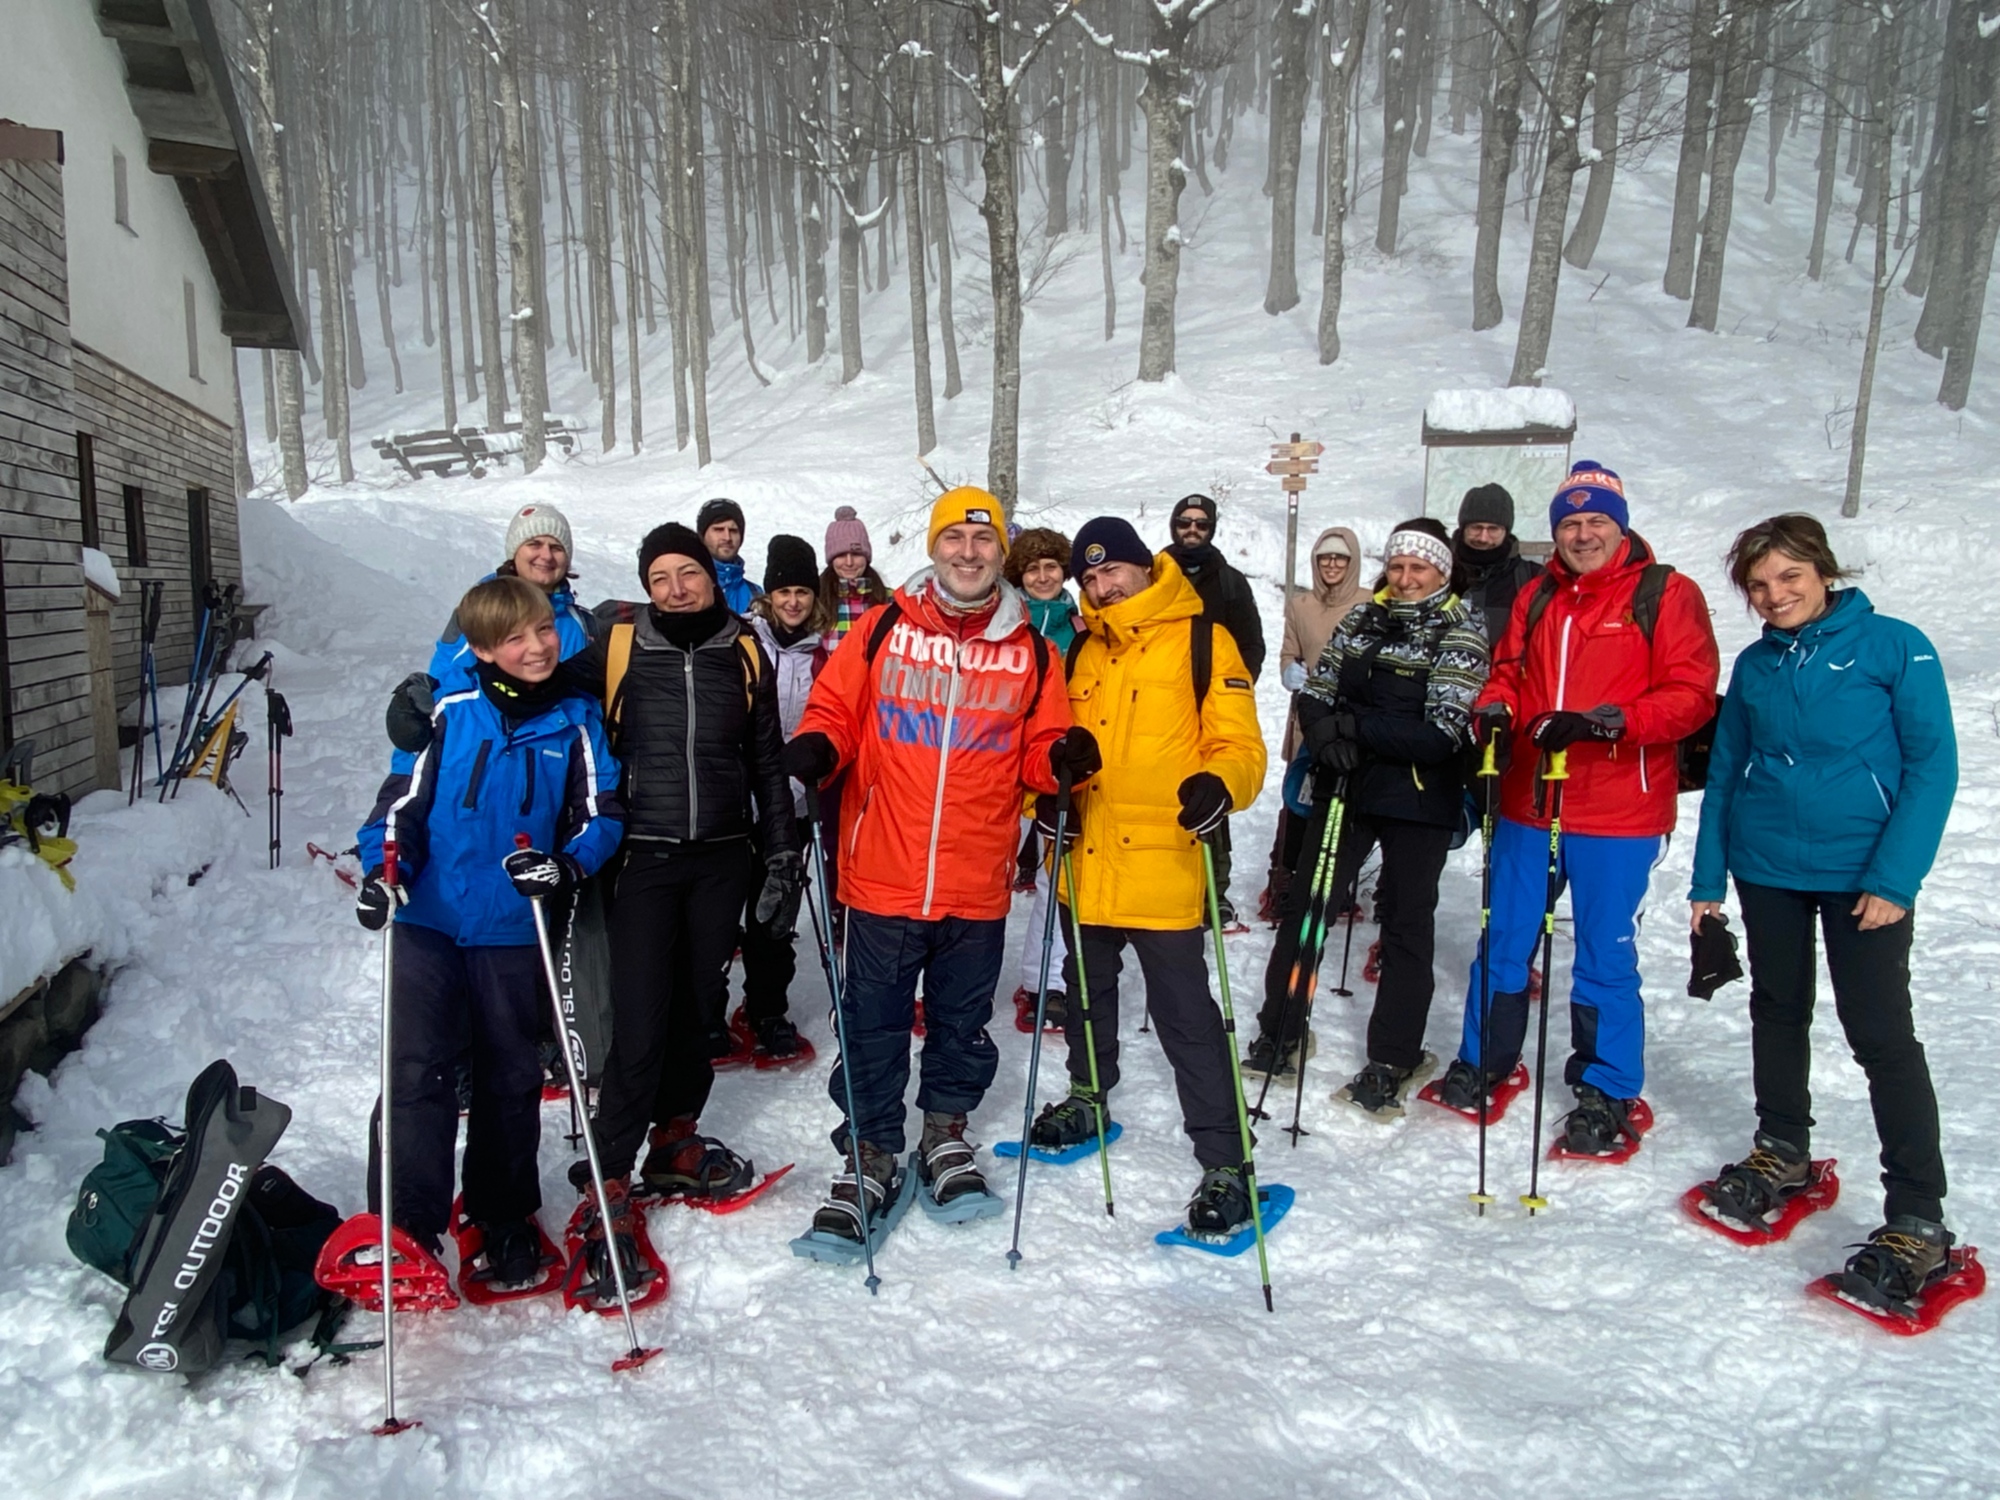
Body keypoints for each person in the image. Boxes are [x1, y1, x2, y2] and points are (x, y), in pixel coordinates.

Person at [784, 486, 1076, 1243]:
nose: (969, 553)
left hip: (975, 878)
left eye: (983, 542)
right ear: (935, 547)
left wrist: (1063, 758)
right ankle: (872, 1151)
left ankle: (945, 1130)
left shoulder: (1033, 652)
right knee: (874, 1023)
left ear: (999, 552)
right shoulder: (882, 630)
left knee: (960, 1022)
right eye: (955, 539)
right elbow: (835, 710)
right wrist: (821, 746)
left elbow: (1042, 748)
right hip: (882, 867)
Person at [1689, 514, 1960, 1311]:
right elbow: (1727, 774)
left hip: (1862, 876)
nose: (1775, 596)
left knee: (1879, 1033)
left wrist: (1896, 877)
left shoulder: (1893, 646)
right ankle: (1783, 1148)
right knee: (1778, 1009)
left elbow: (1933, 767)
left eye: (1788, 578)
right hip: (1767, 865)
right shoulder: (1756, 665)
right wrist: (1709, 884)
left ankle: (1918, 1213)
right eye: (1760, 586)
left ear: (1823, 571)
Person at [1434, 461, 1719, 1155]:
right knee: (1502, 939)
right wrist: (1495, 712)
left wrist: (1606, 722)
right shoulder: (1538, 597)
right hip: (1533, 801)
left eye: (1596, 522)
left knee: (1604, 952)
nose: (1583, 534)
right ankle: (1486, 1059)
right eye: (1570, 523)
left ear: (1618, 526)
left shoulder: (1665, 593)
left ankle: (1608, 1086)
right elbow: (1504, 672)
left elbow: (1692, 693)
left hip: (1619, 811)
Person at [354, 576, 624, 1288]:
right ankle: (406, 1226)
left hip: (513, 923)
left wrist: (566, 866)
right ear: (480, 648)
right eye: (514, 639)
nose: (535, 647)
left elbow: (602, 813)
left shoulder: (575, 718)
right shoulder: (448, 710)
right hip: (429, 919)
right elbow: (399, 804)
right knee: (417, 1072)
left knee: (509, 1074)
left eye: (541, 631)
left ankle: (502, 1213)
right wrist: (382, 870)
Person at [559, 524, 799, 1272]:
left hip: (724, 856)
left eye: (686, 572)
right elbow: (533, 689)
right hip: (643, 858)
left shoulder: (746, 650)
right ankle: (608, 1179)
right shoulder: (619, 648)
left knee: (700, 1009)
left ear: (709, 574)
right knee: (640, 1020)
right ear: (646, 584)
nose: (675, 588)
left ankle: (674, 1137)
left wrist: (783, 850)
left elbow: (764, 759)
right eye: (659, 577)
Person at [1024, 517, 1268, 1234]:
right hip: (1085, 857)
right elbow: (1051, 743)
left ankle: (1226, 1159)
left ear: (1141, 567)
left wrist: (1220, 783)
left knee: (1186, 1018)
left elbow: (1241, 745)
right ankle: (1089, 1096)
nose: (1102, 586)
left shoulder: (1202, 639)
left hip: (1162, 858)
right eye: (1090, 578)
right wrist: (1053, 781)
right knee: (1087, 996)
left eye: (1112, 573)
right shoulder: (1080, 651)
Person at [1244, 522, 1490, 1117]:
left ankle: (1394, 1054)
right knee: (1309, 906)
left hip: (1418, 797)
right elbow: (1318, 687)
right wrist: (1325, 733)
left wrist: (1354, 727)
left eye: (1419, 569)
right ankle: (1283, 1028)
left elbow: (1441, 730)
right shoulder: (1363, 618)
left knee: (1406, 922)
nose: (1405, 579)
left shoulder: (1461, 629)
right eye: (1398, 566)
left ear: (1442, 572)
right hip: (1347, 784)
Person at [735, 535, 834, 1062]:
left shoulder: (825, 653)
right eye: (783, 591)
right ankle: (707, 1014)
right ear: (768, 594)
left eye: (801, 591)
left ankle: (766, 1009)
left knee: (775, 914)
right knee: (726, 908)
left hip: (793, 804)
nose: (792, 601)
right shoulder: (743, 642)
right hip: (737, 801)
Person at [1165, 493, 1267, 926]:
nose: (1192, 530)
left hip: (1210, 708)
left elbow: (1252, 646)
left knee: (1212, 794)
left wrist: (1229, 694)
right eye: (1185, 523)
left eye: (1201, 524)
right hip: (1162, 699)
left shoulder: (1229, 582)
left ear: (1212, 529)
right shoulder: (1156, 573)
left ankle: (1214, 891)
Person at [1003, 527, 1085, 1032]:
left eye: (1051, 566)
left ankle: (1043, 982)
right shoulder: (1007, 622)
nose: (1042, 576)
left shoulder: (1081, 626)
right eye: (1033, 568)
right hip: (1004, 762)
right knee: (982, 869)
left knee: (1055, 876)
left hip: (1055, 767)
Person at [1262, 526, 1365, 918]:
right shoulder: (1301, 606)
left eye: (1340, 558)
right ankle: (1286, 874)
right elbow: (1290, 651)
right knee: (1300, 796)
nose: (1332, 565)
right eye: (1325, 558)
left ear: (1352, 561)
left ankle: (1337, 882)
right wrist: (1290, 670)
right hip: (1309, 715)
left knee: (1344, 800)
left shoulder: (1369, 604)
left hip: (1351, 715)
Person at [428, 503, 596, 680]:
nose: (546, 556)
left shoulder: (581, 622)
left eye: (556, 548)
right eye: (534, 544)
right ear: (514, 552)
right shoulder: (485, 606)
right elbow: (445, 674)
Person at [1452, 484, 1541, 647]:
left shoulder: (1533, 579)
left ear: (1506, 531)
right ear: (1463, 528)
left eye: (1493, 529)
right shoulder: (1438, 574)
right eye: (1476, 528)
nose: (1483, 538)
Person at [819, 505, 891, 640]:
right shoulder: (816, 601)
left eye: (856, 554)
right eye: (841, 555)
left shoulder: (891, 601)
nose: (849, 562)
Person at [698, 497, 762, 614]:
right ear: (702, 536)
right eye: (718, 529)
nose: (727, 537)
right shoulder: (688, 590)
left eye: (733, 530)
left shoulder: (756, 595)